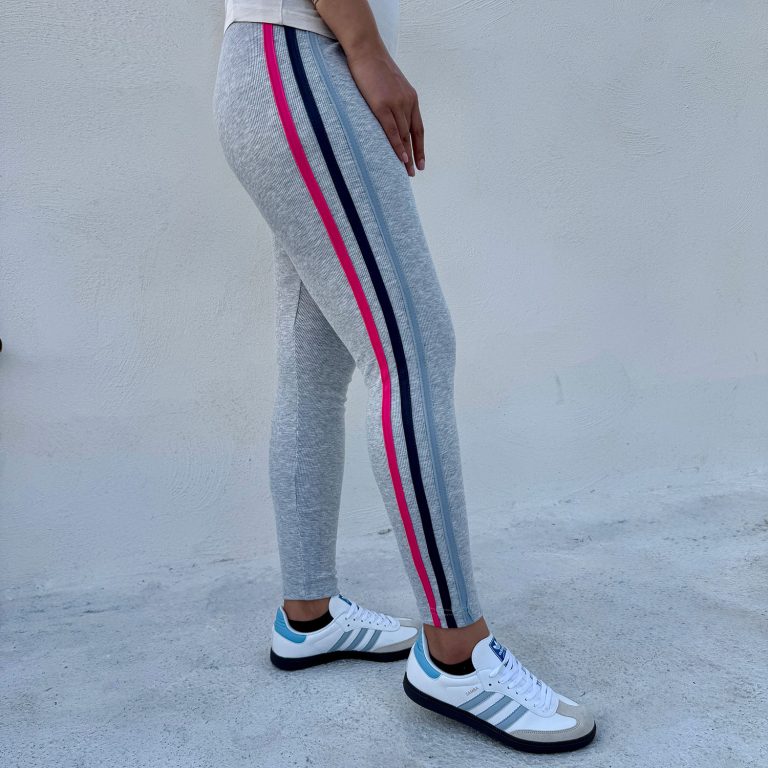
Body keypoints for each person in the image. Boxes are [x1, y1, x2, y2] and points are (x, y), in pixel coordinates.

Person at [212, 0, 596, 753]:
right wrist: (367, 50)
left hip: (272, 64)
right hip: (301, 59)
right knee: (412, 353)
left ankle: (308, 615)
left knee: (314, 363)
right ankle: (456, 654)